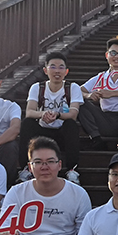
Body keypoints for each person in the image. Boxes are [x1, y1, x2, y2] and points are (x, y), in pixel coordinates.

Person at [18, 51, 83, 184]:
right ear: (45, 70)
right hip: (41, 132)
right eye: (52, 67)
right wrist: (43, 114)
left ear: (66, 71)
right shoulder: (37, 87)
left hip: (62, 133)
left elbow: (73, 114)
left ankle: (72, 169)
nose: (57, 71)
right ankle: (26, 168)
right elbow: (29, 112)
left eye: (61, 67)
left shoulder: (72, 88)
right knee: (27, 123)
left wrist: (58, 115)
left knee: (71, 124)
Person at [78, 35, 118, 150]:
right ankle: (96, 139)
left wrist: (111, 93)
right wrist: (89, 95)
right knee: (79, 102)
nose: (116, 57)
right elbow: (78, 90)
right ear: (106, 55)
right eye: (113, 53)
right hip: (105, 120)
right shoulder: (101, 77)